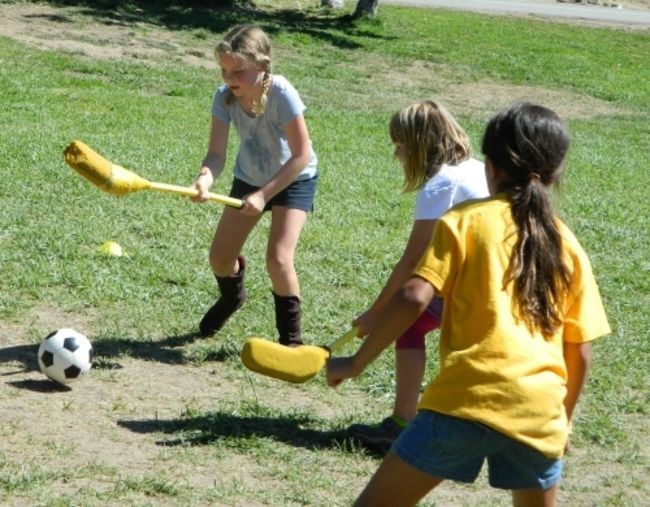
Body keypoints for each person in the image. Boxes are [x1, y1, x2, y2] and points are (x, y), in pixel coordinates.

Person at [327, 102, 611, 507]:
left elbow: (413, 296)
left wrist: (355, 363)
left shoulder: (463, 221)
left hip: (464, 401)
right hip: (540, 413)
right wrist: (561, 423)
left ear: (490, 167)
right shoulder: (568, 244)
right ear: (555, 173)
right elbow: (579, 352)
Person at [348, 100, 489, 454]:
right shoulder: (478, 169)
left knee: (408, 323)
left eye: (400, 144)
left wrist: (376, 313)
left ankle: (402, 423)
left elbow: (413, 260)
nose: (396, 153)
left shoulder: (441, 186)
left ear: (419, 145)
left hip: (473, 286)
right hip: (502, 281)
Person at [192, 25, 318, 346]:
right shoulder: (224, 99)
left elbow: (302, 155)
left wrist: (264, 196)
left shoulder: (282, 94)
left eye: (238, 71)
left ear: (262, 66)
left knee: (278, 259)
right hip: (249, 177)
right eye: (223, 70)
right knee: (220, 258)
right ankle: (232, 297)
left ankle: (291, 343)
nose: (228, 78)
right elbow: (216, 153)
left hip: (293, 180)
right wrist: (206, 176)